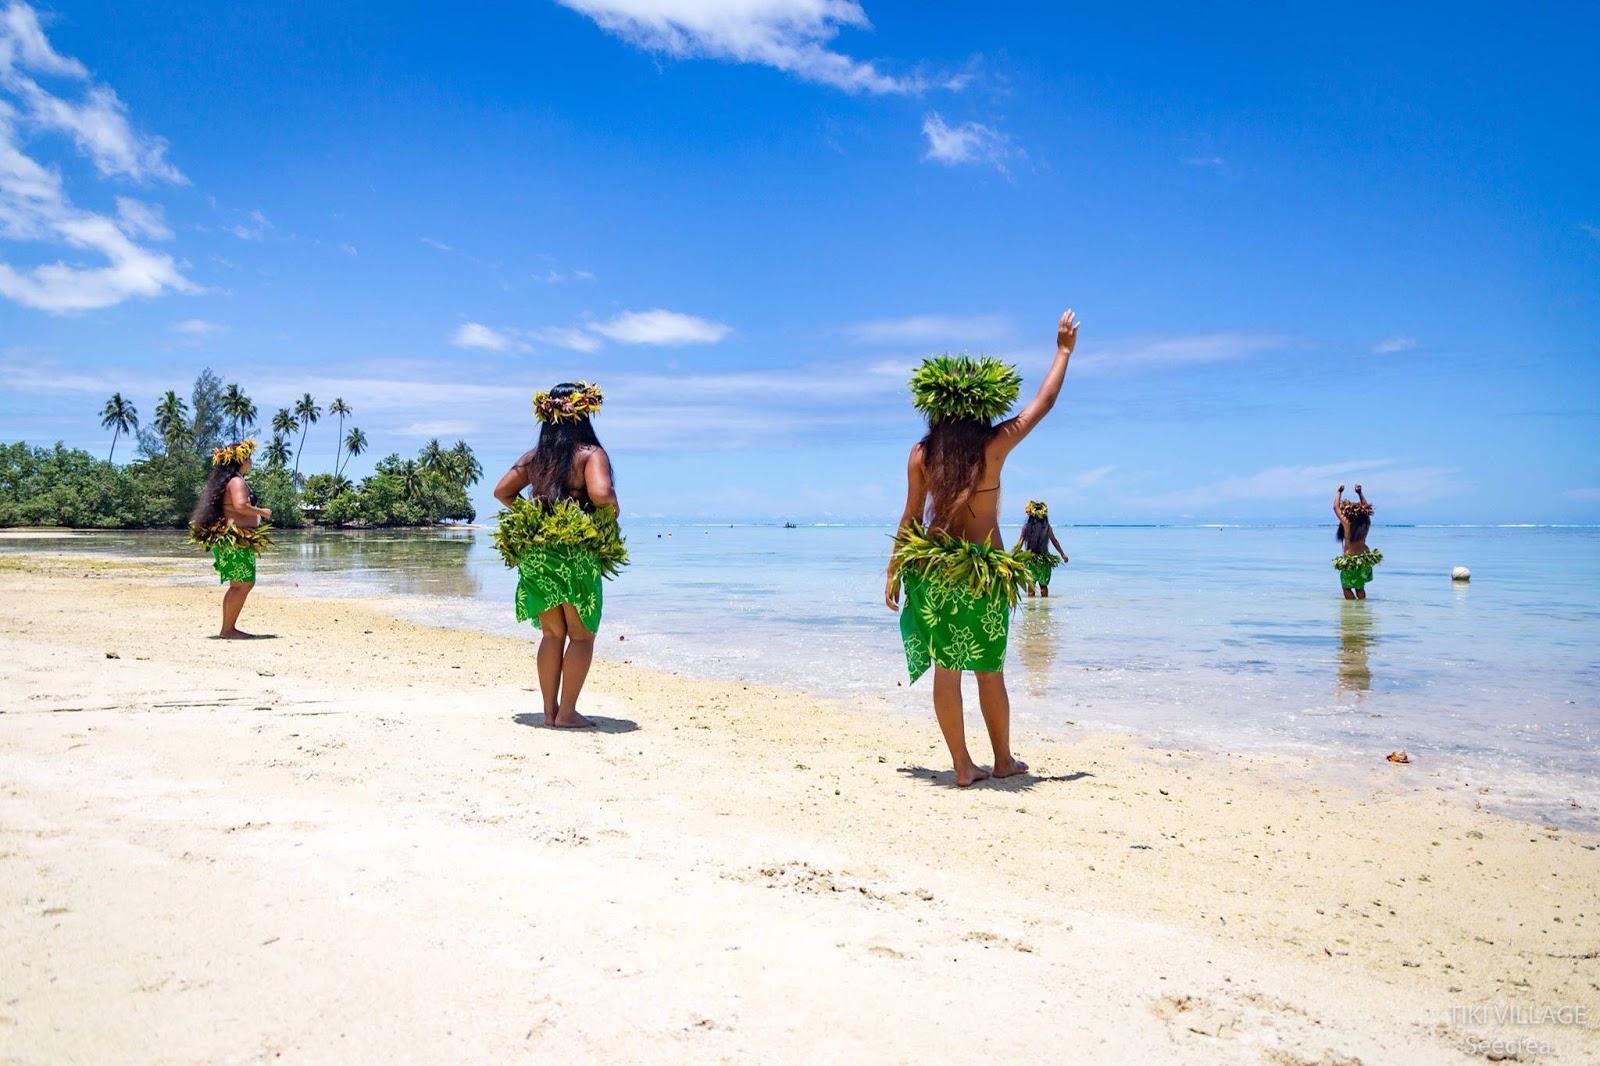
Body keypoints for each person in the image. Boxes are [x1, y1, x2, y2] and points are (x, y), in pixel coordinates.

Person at [885, 309, 1080, 786]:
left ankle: (962, 767)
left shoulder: (921, 454)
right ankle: (1002, 759)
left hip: (934, 574)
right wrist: (1062, 351)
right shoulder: (993, 446)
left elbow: (911, 516)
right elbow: (1042, 402)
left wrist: (892, 568)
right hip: (982, 578)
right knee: (989, 670)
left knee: (946, 670)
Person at [492, 382, 625, 728]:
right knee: (581, 635)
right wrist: (611, 514)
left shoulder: (535, 458)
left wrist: (533, 517)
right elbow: (601, 495)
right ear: (583, 414)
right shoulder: (590, 454)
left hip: (538, 553)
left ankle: (549, 712)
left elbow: (502, 492)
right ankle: (567, 713)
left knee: (552, 634)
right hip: (575, 552)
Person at [188, 439, 272, 638]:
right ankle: (228, 630)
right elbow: (241, 505)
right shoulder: (236, 481)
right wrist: (262, 511)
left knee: (239, 584)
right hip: (234, 540)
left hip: (235, 539)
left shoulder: (233, 480)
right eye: (249, 457)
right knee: (243, 584)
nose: (251, 460)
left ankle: (228, 628)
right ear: (241, 459)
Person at [1332, 483, 1382, 600]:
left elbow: (1335, 507)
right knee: (1360, 587)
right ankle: (1361, 609)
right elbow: (1367, 509)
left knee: (1346, 588)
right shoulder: (1365, 525)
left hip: (1351, 562)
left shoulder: (1348, 524)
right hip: (1364, 560)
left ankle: (1353, 614)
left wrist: (1338, 492)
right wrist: (1360, 493)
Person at [1013, 499, 1069, 597]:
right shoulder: (1047, 527)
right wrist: (1062, 554)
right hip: (1044, 562)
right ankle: (1044, 608)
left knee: (1031, 585)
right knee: (1043, 586)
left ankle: (1030, 610)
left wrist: (1012, 556)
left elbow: (1020, 543)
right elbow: (1054, 541)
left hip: (1030, 561)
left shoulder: (1026, 527)